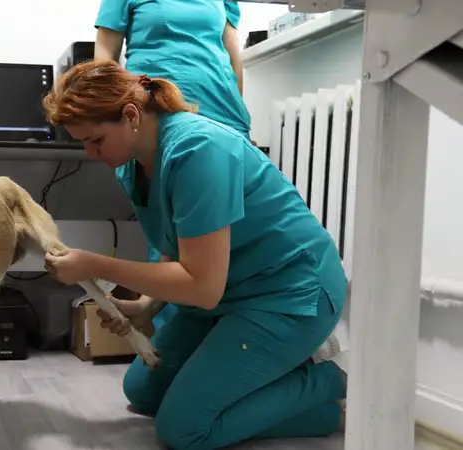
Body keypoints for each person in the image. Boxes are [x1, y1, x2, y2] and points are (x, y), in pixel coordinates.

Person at [41, 60, 348, 450]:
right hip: (230, 291)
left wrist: (95, 264)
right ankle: (288, 394)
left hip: (291, 292)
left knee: (184, 430)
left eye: (96, 140)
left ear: (131, 115)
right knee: (142, 391)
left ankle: (328, 380)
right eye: (82, 142)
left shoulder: (198, 150)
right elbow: (177, 245)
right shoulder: (132, 165)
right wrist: (147, 307)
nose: (90, 153)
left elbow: (201, 288)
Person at [93, 0, 253, 315]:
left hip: (221, 113)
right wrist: (108, 114)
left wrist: (239, 114)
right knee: (172, 239)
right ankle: (171, 334)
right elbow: (105, 55)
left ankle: (242, 329)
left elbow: (233, 56)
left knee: (235, 236)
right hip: (155, 117)